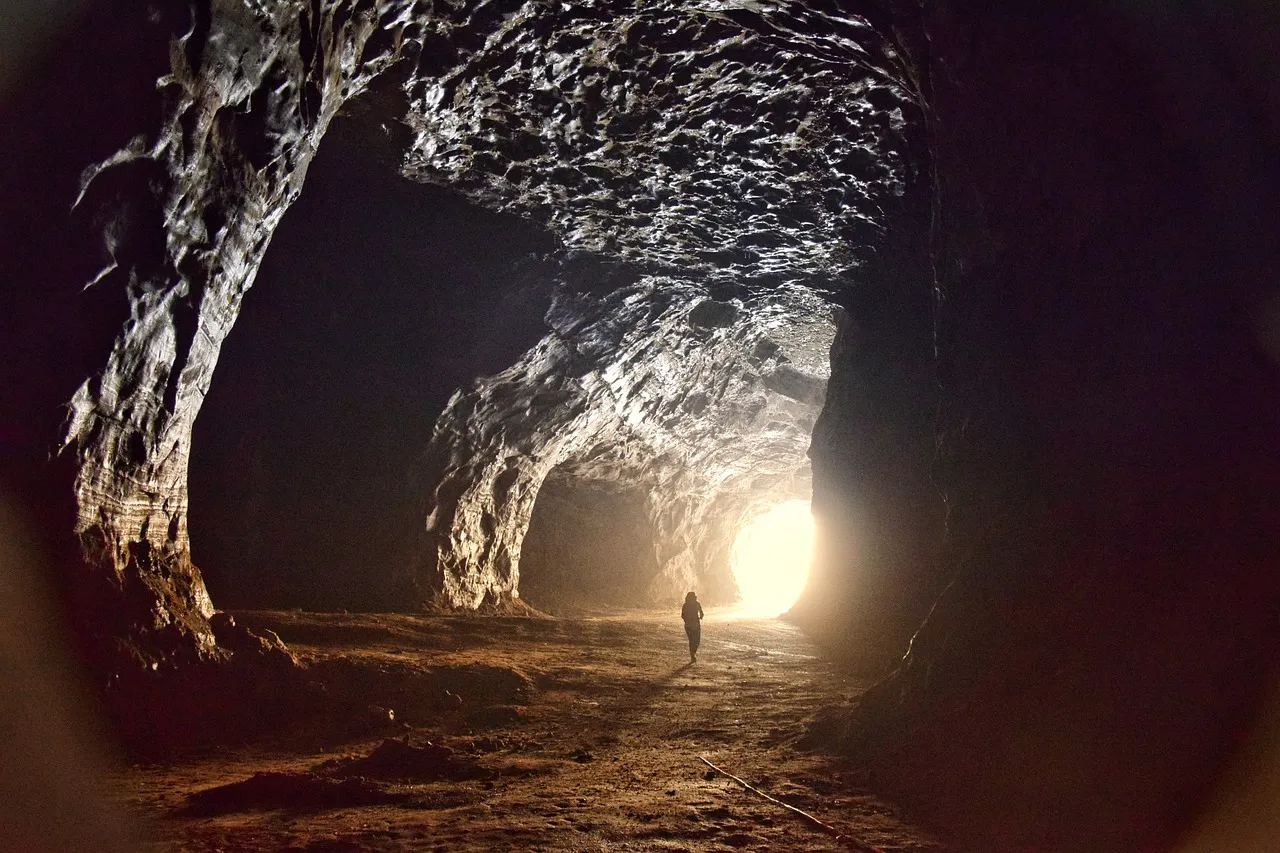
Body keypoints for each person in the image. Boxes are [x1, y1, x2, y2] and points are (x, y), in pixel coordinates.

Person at [681, 591, 704, 663]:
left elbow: (682, 615)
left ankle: (692, 654)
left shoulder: (686, 605)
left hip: (689, 625)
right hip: (694, 625)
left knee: (693, 640)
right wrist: (700, 617)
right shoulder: (696, 604)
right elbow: (702, 613)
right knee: (696, 640)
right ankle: (693, 654)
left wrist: (686, 620)